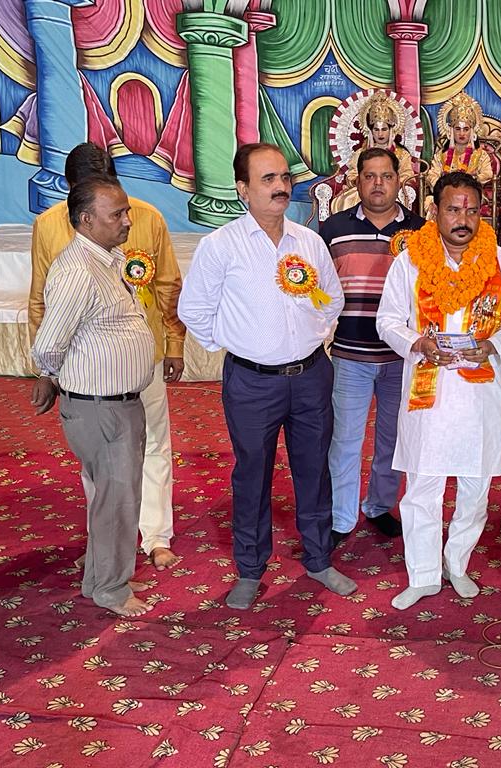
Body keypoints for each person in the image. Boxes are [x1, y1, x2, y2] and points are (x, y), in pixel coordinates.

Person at [178, 142, 354, 610]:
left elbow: (332, 299)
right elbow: (193, 310)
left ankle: (319, 559)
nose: (281, 187)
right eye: (268, 179)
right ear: (243, 189)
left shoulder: (309, 242)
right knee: (252, 474)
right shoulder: (221, 246)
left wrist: (313, 334)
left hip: (311, 376)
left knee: (314, 469)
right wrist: (236, 343)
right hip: (252, 383)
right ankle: (250, 568)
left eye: (284, 178)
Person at [28, 141, 185, 571]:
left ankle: (155, 536)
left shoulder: (145, 218)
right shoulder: (49, 226)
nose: (122, 219)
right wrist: (46, 372)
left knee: (153, 446)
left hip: (143, 361)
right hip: (87, 374)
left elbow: (168, 284)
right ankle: (107, 550)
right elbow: (40, 299)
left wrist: (174, 342)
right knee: (99, 463)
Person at [376, 171, 501, 611]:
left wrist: (493, 345)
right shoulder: (410, 262)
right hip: (430, 393)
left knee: (475, 489)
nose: (463, 219)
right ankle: (423, 574)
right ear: (434, 211)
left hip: (482, 398)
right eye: (453, 209)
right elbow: (387, 321)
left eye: (472, 210)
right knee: (422, 488)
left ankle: (456, 563)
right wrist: (416, 343)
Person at [32, 176, 155, 617]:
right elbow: (50, 340)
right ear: (86, 219)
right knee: (117, 500)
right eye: (116, 214)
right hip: (99, 407)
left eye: (126, 211)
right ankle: (110, 588)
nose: (127, 220)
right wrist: (48, 373)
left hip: (117, 404)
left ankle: (100, 577)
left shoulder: (109, 259)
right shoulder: (76, 270)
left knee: (115, 497)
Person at [319, 148, 425, 545]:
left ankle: (380, 506)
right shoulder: (334, 229)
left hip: (403, 358)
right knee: (344, 441)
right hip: (350, 355)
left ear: (400, 181)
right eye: (369, 176)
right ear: (357, 181)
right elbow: (319, 288)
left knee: (393, 441)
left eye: (386, 176)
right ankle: (341, 518)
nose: (378, 183)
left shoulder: (421, 232)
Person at [332, 91, 417, 215]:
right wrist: (362, 180)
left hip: (391, 192)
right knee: (347, 200)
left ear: (392, 130)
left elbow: (407, 175)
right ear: (370, 131)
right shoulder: (361, 153)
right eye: (376, 129)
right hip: (365, 191)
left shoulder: (402, 154)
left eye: (384, 129)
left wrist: (390, 181)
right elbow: (352, 174)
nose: (380, 134)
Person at [424, 92, 494, 215]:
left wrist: (473, 179)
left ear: (472, 131)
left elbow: (488, 174)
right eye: (458, 129)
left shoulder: (480, 155)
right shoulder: (442, 155)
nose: (462, 133)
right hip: (446, 194)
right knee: (430, 201)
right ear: (451, 131)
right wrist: (444, 186)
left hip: (471, 194)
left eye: (466, 129)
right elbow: (432, 175)